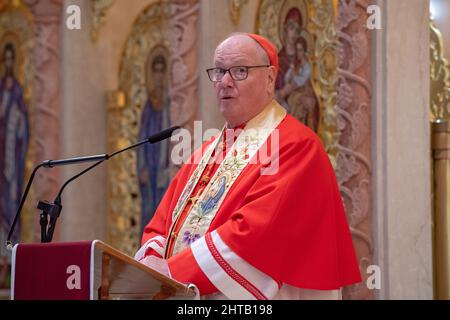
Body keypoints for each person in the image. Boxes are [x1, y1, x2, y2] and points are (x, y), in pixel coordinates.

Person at [134, 33, 361, 299]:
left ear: (269, 78)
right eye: (219, 71)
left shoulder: (297, 146)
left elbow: (256, 233)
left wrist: (172, 273)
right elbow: (163, 221)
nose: (225, 82)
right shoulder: (207, 151)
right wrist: (151, 261)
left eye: (240, 71)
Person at [137, 52, 171, 233]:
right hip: (149, 165)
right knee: (149, 209)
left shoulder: (171, 104)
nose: (158, 76)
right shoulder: (149, 106)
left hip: (165, 165)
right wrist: (141, 166)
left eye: (161, 72)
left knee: (163, 208)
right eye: (155, 72)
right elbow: (142, 137)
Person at [0, 43, 29, 251]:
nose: (9, 64)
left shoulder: (17, 90)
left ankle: (11, 252)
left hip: (12, 153)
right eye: (6, 60)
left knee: (11, 195)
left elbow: (23, 124)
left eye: (12, 59)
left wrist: (17, 120)